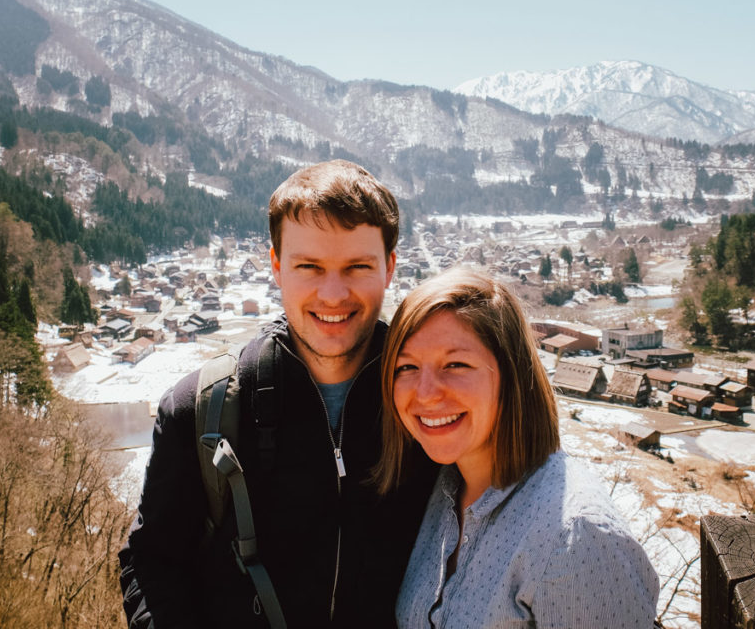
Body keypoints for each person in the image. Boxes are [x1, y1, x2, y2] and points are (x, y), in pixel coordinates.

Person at [119, 160, 436, 628]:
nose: (333, 294)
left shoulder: (432, 404)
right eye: (309, 266)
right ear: (276, 266)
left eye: (357, 266)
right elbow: (153, 563)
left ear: (389, 267)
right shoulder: (202, 410)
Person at [376, 267, 660, 629]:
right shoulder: (444, 487)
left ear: (512, 375)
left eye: (456, 364)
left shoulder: (577, 540)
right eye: (407, 366)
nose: (426, 392)